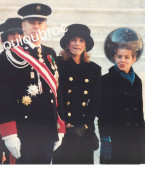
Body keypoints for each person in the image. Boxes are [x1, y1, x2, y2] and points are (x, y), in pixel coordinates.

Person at [0, 3, 65, 164]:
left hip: (48, 129)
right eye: (32, 23)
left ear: (45, 26)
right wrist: (9, 133)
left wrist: (60, 127)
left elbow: (56, 91)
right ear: (23, 26)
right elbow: (4, 97)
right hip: (24, 131)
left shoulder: (50, 54)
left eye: (40, 23)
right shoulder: (11, 55)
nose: (36, 27)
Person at [53, 24, 102, 164]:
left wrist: (85, 126)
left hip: (84, 130)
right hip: (63, 128)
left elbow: (95, 102)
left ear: (86, 45)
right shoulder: (57, 64)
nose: (77, 44)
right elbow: (55, 97)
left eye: (81, 40)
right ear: (67, 43)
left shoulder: (94, 69)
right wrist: (62, 123)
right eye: (74, 40)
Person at [98, 44, 145, 164]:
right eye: (119, 56)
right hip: (115, 140)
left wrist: (144, 144)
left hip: (136, 141)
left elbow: (139, 115)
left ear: (133, 59)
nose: (122, 60)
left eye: (127, 57)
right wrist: (105, 139)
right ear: (114, 57)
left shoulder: (137, 81)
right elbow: (102, 114)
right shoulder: (106, 80)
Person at [0, 17, 23, 164]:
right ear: (4, 39)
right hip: (4, 121)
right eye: (12, 34)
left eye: (20, 33)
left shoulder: (34, 60)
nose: (16, 38)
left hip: (29, 123)